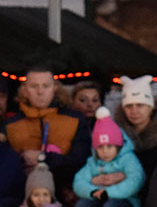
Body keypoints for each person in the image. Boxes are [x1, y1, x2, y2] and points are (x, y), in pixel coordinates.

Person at [66, 107, 144, 207]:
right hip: (98, 196)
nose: (105, 151)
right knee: (80, 206)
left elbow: (135, 180)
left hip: (123, 199)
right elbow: (79, 181)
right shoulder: (93, 162)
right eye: (101, 147)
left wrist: (108, 192)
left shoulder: (128, 159)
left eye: (110, 146)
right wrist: (93, 191)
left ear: (118, 146)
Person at [5, 65, 92, 199]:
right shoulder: (10, 124)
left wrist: (44, 158)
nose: (40, 92)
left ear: (55, 88)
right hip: (21, 199)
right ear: (24, 90)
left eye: (46, 86)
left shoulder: (75, 119)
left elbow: (81, 160)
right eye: (34, 86)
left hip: (68, 197)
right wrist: (22, 160)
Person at [112, 74, 157, 180]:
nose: (134, 111)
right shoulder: (116, 135)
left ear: (151, 107)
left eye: (140, 105)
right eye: (129, 106)